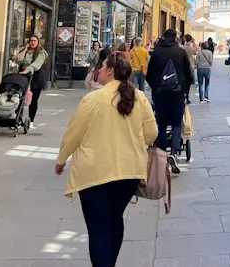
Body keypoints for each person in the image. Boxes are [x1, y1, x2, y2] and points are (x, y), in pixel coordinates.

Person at [56, 52, 157, 267]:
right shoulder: (140, 98)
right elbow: (152, 134)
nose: (98, 71)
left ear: (110, 71)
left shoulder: (93, 99)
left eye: (101, 67)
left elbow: (73, 133)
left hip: (95, 173)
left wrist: (62, 159)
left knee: (98, 228)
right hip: (129, 171)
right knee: (114, 219)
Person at [145, 28, 193, 174]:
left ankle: (162, 155)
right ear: (176, 38)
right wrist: (185, 91)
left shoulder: (157, 52)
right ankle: (174, 152)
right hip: (177, 95)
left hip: (160, 95)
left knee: (162, 124)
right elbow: (189, 75)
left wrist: (155, 88)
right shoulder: (181, 52)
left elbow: (149, 74)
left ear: (164, 37)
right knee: (177, 124)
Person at [16, 34, 48, 125]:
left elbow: (37, 64)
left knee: (33, 99)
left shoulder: (42, 52)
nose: (32, 42)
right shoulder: (26, 51)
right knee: (20, 98)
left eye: (34, 41)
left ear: (38, 42)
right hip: (23, 76)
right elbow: (19, 59)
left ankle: (31, 120)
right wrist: (25, 49)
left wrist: (27, 70)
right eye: (31, 41)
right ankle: (17, 119)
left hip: (36, 77)